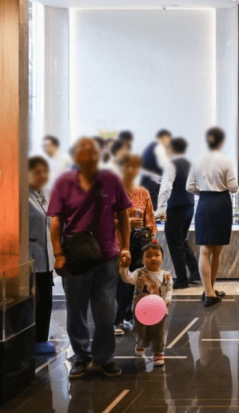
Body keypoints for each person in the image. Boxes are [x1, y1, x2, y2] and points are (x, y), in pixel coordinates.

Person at [48, 138, 132, 379]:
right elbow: (56, 222)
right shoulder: (64, 182)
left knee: (106, 311)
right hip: (75, 258)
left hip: (106, 257)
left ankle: (105, 357)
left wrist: (126, 248)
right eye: (85, 150)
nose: (90, 154)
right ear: (76, 156)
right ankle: (81, 357)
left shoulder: (111, 179)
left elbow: (123, 215)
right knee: (76, 311)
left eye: (94, 150)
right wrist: (58, 254)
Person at [187, 127, 238, 307]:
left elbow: (189, 187)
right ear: (221, 142)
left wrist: (203, 192)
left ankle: (209, 290)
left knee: (204, 249)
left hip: (204, 202)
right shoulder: (226, 160)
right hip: (222, 203)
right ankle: (210, 291)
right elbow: (233, 188)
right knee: (217, 251)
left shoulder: (196, 161)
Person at [114, 153, 157, 336]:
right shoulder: (113, 192)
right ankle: (118, 318)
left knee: (136, 282)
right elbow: (103, 220)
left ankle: (130, 315)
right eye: (127, 166)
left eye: (135, 166)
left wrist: (152, 247)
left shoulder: (143, 192)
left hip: (139, 245)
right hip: (117, 243)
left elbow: (150, 222)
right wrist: (126, 223)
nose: (131, 170)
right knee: (120, 283)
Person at [118, 242, 173, 367]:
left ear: (162, 258)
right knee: (140, 329)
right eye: (148, 256)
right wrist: (124, 268)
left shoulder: (166, 275)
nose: (153, 258)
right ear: (142, 260)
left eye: (157, 255)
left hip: (159, 311)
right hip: (141, 311)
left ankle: (158, 352)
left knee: (158, 332)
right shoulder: (139, 273)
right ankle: (141, 342)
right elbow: (127, 278)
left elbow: (169, 289)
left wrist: (167, 300)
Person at [156, 137, 200, 289]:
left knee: (175, 242)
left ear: (171, 149)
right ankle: (195, 272)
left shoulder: (171, 164)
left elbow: (166, 188)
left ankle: (182, 279)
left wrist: (161, 209)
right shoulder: (190, 164)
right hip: (189, 206)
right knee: (181, 240)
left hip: (175, 208)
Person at [28, 156, 56, 355]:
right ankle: (26, 341)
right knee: (30, 303)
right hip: (28, 260)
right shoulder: (20, 196)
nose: (42, 175)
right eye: (37, 171)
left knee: (46, 300)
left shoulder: (47, 193)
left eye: (45, 171)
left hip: (47, 258)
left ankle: (41, 340)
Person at [141, 129, 171, 207]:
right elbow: (166, 165)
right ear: (165, 138)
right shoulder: (159, 148)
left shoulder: (149, 147)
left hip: (145, 183)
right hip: (154, 185)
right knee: (154, 210)